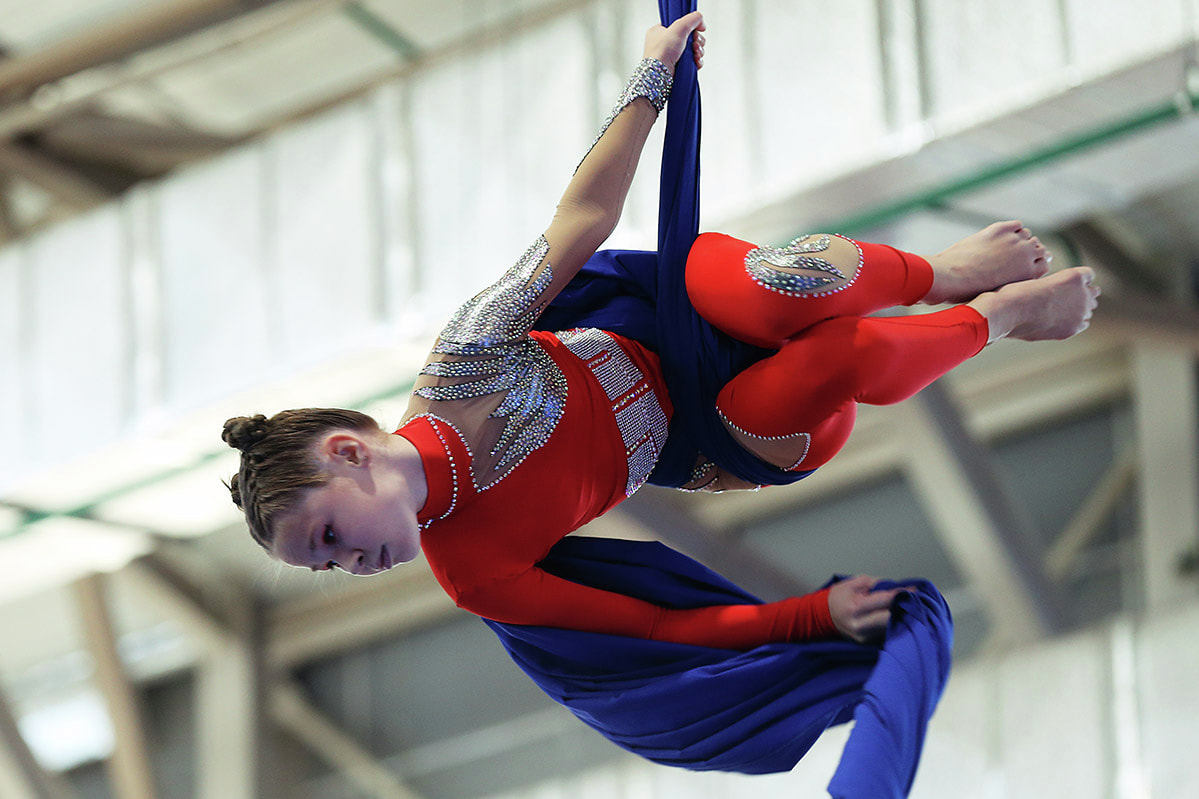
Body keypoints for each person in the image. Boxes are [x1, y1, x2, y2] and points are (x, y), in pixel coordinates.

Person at [222, 7, 1099, 784]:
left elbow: (582, 221)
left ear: (348, 451)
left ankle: (944, 274)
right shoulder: (477, 574)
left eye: (328, 534)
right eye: (325, 564)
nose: (347, 564)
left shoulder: (465, 359)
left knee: (775, 284)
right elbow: (653, 629)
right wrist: (805, 615)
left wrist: (651, 77)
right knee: (837, 354)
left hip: (681, 319)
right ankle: (1002, 318)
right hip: (724, 435)